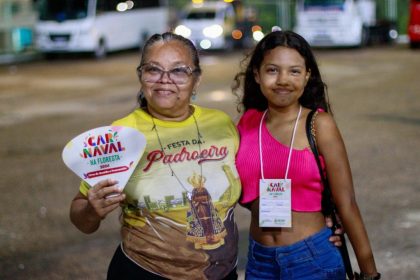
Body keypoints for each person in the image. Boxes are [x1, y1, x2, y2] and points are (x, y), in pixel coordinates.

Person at [70, 32, 241, 280]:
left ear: (197, 79)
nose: (164, 80)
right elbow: (81, 219)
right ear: (141, 76)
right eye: (153, 70)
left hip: (221, 272)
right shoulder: (120, 136)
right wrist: (92, 210)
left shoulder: (221, 124)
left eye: (178, 71)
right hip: (144, 273)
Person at [233, 30, 380, 279]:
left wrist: (369, 273)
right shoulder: (247, 124)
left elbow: (347, 203)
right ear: (257, 74)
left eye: (294, 71)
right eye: (272, 70)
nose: (283, 80)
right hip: (259, 262)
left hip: (311, 258)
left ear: (307, 75)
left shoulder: (319, 124)